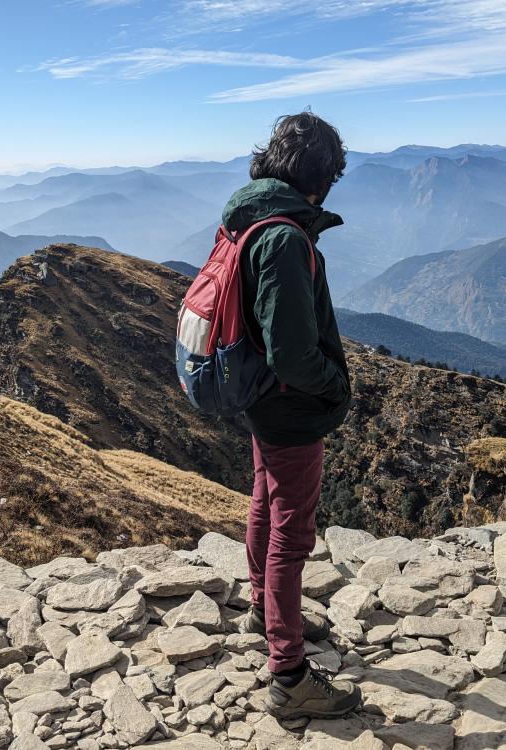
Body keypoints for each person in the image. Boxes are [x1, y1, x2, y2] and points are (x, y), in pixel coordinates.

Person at [222, 112, 361, 719]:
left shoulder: (250, 217)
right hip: (289, 407)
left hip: (260, 398)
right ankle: (290, 675)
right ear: (319, 176)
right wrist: (334, 386)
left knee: (264, 499)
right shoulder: (284, 237)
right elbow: (294, 353)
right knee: (292, 533)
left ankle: (264, 608)